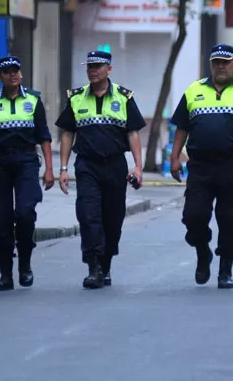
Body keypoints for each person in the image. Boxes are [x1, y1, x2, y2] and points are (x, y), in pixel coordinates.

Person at [169, 44, 233, 289]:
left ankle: (226, 268)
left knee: (231, 219)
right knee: (193, 215)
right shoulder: (194, 91)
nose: (221, 66)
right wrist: (174, 157)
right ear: (211, 65)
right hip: (200, 166)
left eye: (226, 62)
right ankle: (203, 252)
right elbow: (181, 127)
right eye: (216, 62)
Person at [55, 50, 145, 289]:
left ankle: (105, 264)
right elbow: (67, 133)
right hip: (87, 165)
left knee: (113, 218)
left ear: (109, 69)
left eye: (98, 66)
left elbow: (133, 133)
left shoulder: (124, 98)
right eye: (90, 66)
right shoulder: (76, 98)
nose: (93, 70)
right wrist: (63, 168)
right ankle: (93, 266)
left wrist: (138, 166)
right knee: (88, 214)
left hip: (115, 165)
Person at [0, 56, 54, 291]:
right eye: (6, 72)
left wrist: (50, 170)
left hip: (26, 161)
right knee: (2, 218)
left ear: (21, 74)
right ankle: (5, 273)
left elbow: (44, 136)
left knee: (25, 212)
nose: (12, 74)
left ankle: (24, 264)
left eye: (16, 70)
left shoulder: (33, 101)